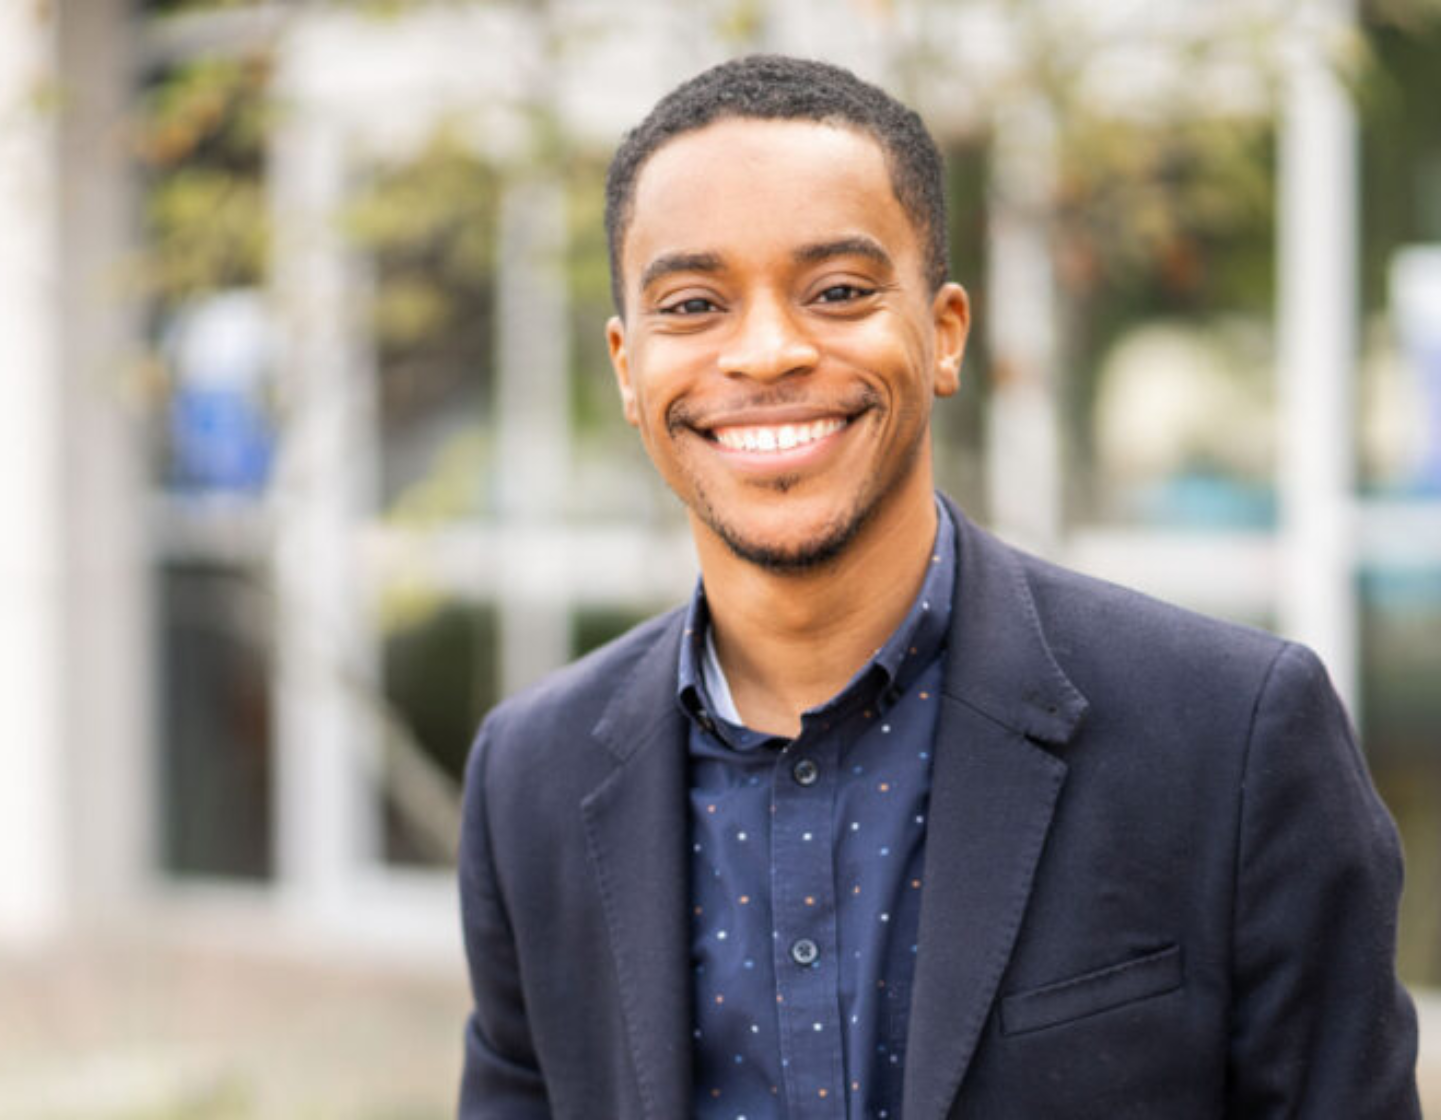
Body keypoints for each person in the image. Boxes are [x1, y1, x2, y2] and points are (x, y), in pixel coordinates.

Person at [457, 55, 1420, 1119]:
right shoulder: (527, 779)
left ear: (946, 332)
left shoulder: (1232, 736)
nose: (769, 349)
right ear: (627, 367)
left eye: (838, 291)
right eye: (693, 303)